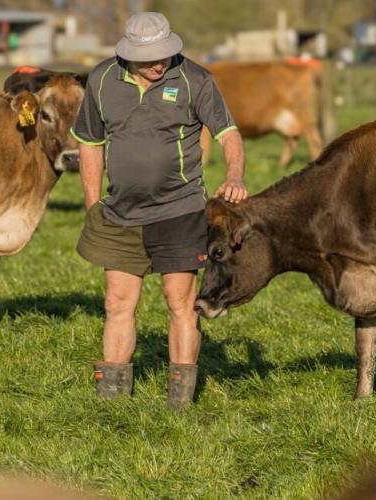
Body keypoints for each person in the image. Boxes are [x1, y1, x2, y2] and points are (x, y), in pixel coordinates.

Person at [71, 12, 247, 408]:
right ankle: (111, 403)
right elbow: (89, 143)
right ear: (128, 54)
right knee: (117, 303)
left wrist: (234, 174)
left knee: (179, 302)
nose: (159, 62)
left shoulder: (194, 79)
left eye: (164, 54)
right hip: (120, 213)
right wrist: (92, 202)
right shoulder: (102, 80)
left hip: (179, 210)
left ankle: (179, 404)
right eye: (149, 57)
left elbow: (229, 135)